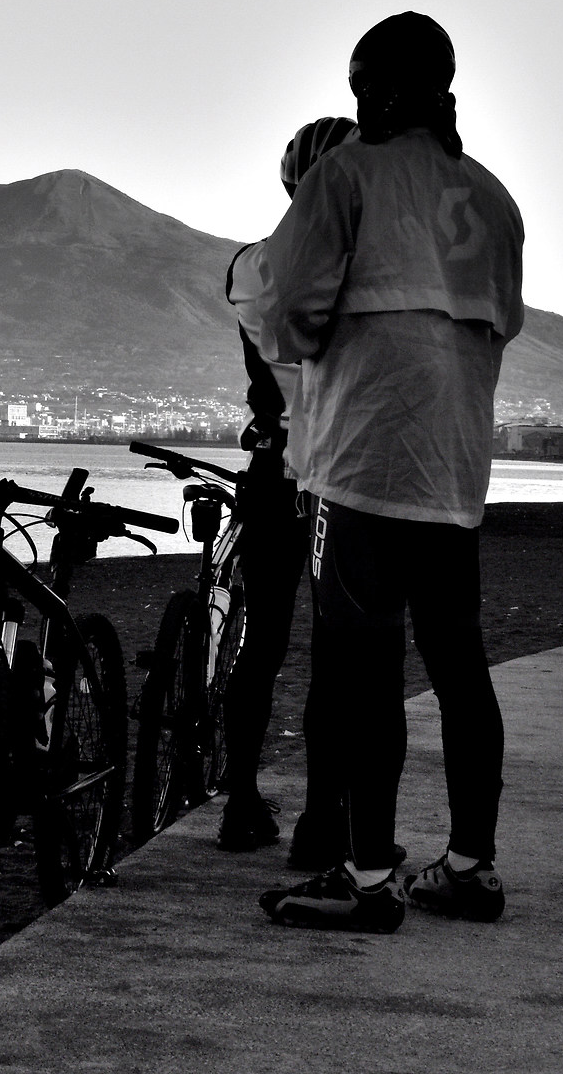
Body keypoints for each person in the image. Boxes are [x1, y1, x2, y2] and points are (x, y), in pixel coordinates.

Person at [230, 13, 524, 933]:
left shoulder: (345, 174)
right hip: (454, 464)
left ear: (375, 87)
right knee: (459, 663)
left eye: (363, 86)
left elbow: (283, 311)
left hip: (361, 459)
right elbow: (501, 322)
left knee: (361, 673)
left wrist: (271, 304)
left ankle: (364, 879)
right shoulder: (494, 199)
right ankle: (468, 870)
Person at [215, 116, 355, 868]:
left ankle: (240, 802)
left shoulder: (249, 269)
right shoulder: (359, 272)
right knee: (338, 655)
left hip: (270, 472)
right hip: (339, 475)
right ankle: (320, 823)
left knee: (262, 643)